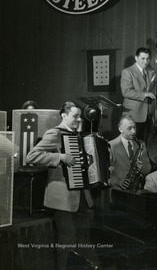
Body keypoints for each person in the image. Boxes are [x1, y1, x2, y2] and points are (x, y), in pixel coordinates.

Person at [26, 101, 101, 270]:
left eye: (80, 116)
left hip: (83, 196)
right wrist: (59, 158)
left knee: (84, 240)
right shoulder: (55, 133)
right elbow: (31, 157)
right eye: (75, 116)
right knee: (66, 240)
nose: (78, 119)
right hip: (63, 198)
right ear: (64, 116)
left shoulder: (81, 135)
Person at [120, 47, 157, 140]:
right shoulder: (127, 72)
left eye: (148, 59)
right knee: (133, 144)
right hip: (133, 115)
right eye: (143, 58)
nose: (145, 61)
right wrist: (145, 94)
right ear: (136, 58)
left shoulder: (150, 71)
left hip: (148, 115)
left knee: (144, 143)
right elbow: (126, 92)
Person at [108, 114, 151, 191]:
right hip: (118, 191)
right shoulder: (111, 145)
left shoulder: (141, 144)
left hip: (137, 190)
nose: (133, 131)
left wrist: (142, 168)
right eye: (129, 128)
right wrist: (118, 182)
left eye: (134, 127)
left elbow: (148, 168)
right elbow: (104, 172)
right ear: (121, 129)